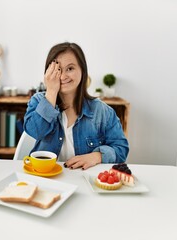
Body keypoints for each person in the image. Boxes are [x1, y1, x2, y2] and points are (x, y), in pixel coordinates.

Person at [23, 42, 129, 170]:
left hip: (84, 180)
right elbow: (35, 132)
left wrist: (96, 156)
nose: (62, 76)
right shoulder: (38, 101)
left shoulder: (102, 111)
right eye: (57, 70)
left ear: (82, 71)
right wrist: (51, 92)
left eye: (70, 68)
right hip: (46, 179)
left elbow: (121, 149)